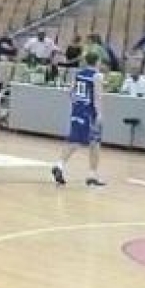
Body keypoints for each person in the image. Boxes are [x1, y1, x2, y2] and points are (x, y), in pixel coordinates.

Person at [51, 52, 107, 187]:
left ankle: (90, 175)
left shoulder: (79, 73)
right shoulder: (97, 76)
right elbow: (97, 97)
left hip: (77, 110)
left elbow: (70, 92)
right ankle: (61, 166)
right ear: (97, 61)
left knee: (89, 142)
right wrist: (99, 114)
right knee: (83, 142)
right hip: (89, 113)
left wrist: (77, 104)